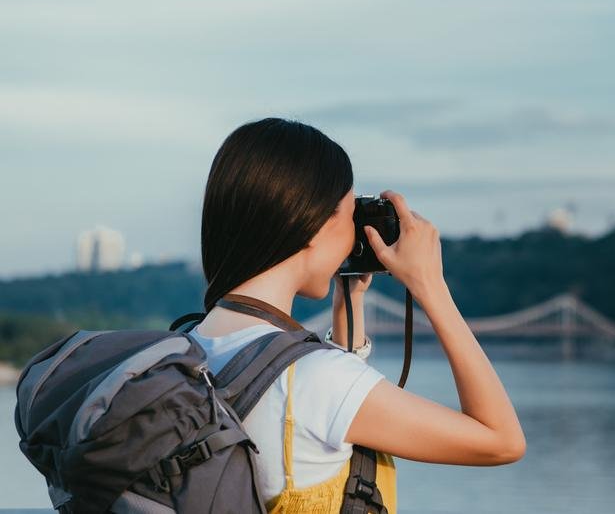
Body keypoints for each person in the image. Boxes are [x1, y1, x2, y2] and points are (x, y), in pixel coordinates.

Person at [189, 117, 526, 511]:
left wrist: (348, 301)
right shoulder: (320, 382)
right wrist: (431, 287)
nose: (354, 234)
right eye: (349, 216)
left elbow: (311, 418)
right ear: (313, 225)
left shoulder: (190, 349)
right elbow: (502, 441)